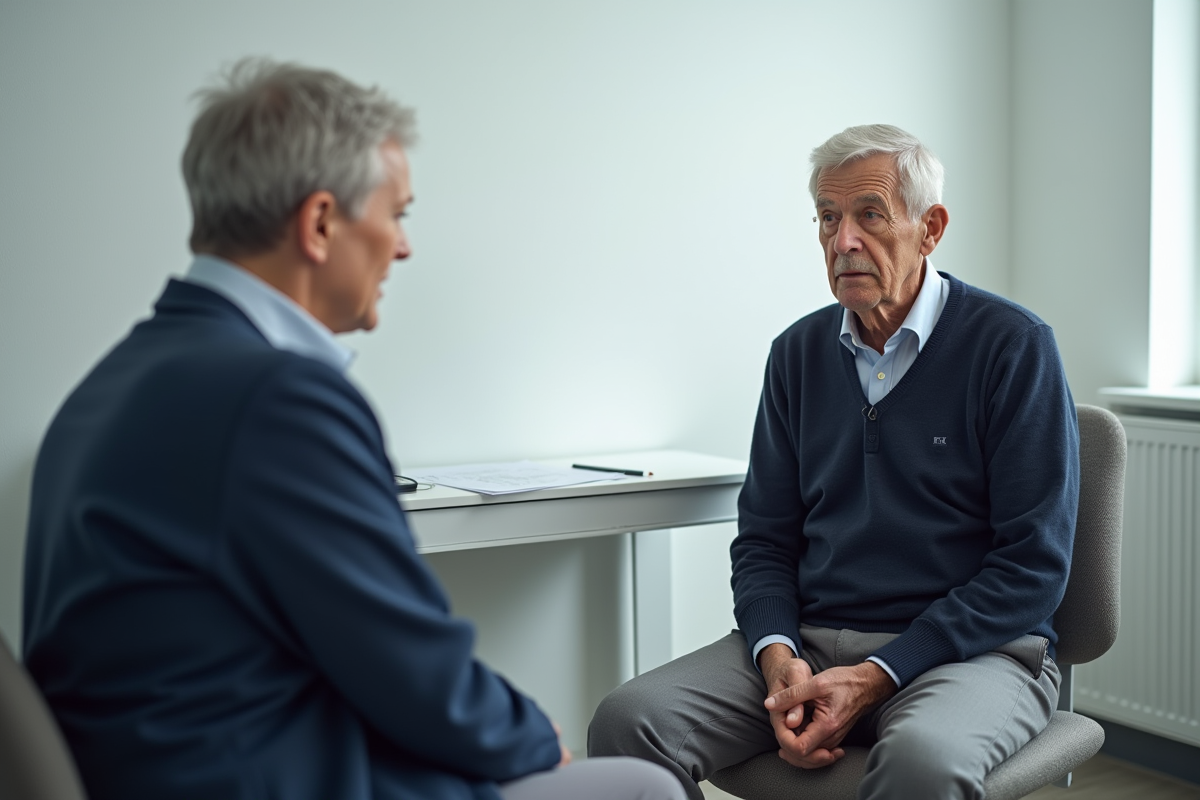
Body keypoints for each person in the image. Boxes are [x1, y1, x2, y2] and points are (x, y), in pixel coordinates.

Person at [22, 58, 684, 800]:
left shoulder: (109, 384)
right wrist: (532, 740)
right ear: (320, 223)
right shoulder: (277, 397)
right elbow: (409, 663)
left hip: (155, 767)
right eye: (397, 214)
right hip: (260, 777)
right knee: (641, 787)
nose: (403, 247)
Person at [588, 124, 1080, 800]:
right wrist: (777, 654)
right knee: (628, 723)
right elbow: (764, 541)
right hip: (813, 643)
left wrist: (882, 672)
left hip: (972, 653)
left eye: (869, 215)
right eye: (827, 218)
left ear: (930, 228)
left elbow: (1033, 567)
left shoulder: (1013, 347)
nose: (842, 240)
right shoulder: (795, 354)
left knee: (923, 764)